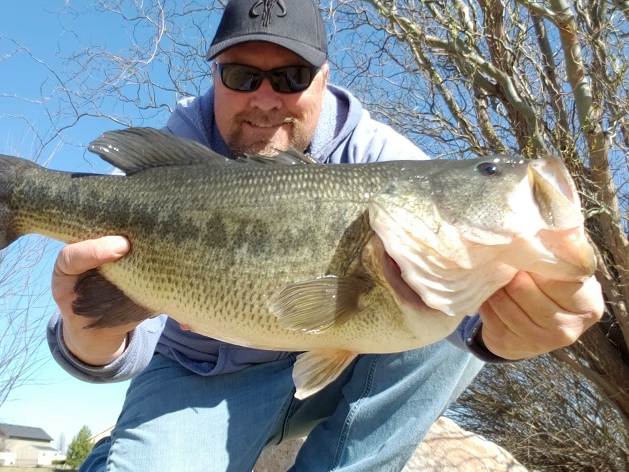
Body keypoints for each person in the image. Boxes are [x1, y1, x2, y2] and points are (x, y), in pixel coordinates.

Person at [46, 0, 605, 470]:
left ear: (324, 78)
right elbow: (109, 339)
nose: (266, 100)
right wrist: (88, 333)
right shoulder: (164, 172)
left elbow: (475, 325)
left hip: (337, 372)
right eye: (243, 77)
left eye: (291, 77)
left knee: (462, 297)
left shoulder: (383, 161)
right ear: (214, 76)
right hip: (199, 379)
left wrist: (511, 331)